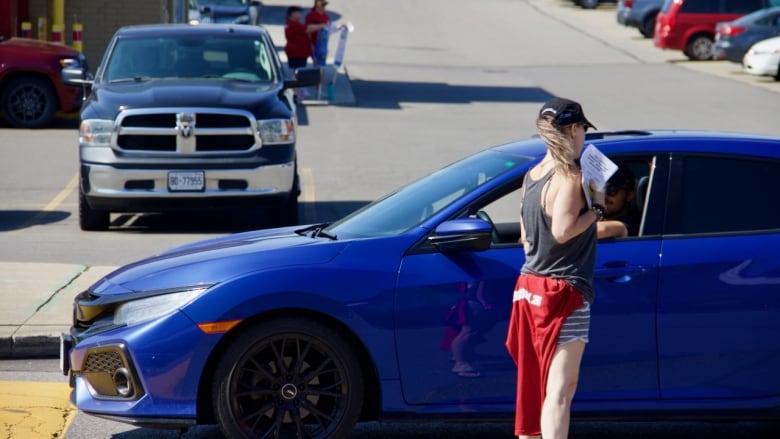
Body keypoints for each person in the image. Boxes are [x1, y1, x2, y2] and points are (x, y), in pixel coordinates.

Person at [505, 97, 604, 439]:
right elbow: (563, 231)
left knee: (536, 389)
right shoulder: (569, 175)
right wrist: (598, 210)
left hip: (528, 290)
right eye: (582, 131)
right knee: (560, 393)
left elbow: (525, 238)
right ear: (574, 130)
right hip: (563, 292)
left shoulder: (532, 175)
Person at [596, 166, 640, 239]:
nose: (604, 196)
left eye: (611, 189)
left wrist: (594, 211)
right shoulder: (597, 220)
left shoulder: (632, 223)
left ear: (629, 195)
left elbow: (602, 230)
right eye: (600, 190)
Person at [284, 6, 326, 70]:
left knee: (297, 71)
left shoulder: (292, 24)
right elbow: (308, 29)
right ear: (293, 14)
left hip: (299, 52)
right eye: (298, 13)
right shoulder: (293, 24)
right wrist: (322, 26)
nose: (300, 15)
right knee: (298, 72)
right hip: (297, 53)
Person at [305, 0, 332, 66]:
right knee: (315, 61)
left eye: (324, 6)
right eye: (322, 5)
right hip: (314, 43)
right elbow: (307, 29)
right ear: (317, 6)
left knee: (321, 63)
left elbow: (329, 27)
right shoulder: (311, 15)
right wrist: (310, 43)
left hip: (322, 44)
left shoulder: (326, 17)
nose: (323, 7)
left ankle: (320, 75)